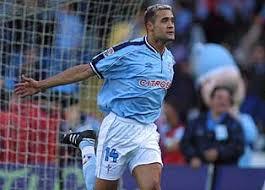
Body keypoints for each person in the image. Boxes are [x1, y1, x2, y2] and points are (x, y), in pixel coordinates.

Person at [15, 4, 175, 190]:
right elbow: (86, 69)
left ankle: (86, 143)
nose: (171, 25)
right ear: (150, 26)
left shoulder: (169, 59)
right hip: (119, 129)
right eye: (164, 20)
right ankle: (86, 145)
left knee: (153, 186)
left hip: (146, 130)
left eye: (172, 20)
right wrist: (41, 85)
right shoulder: (128, 51)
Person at [180, 86, 244, 168]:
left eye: (227, 99)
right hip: (199, 171)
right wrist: (193, 156)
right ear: (210, 100)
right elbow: (185, 143)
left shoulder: (234, 124)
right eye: (219, 97)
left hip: (226, 172)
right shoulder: (196, 122)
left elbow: (239, 147)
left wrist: (219, 153)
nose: (223, 102)